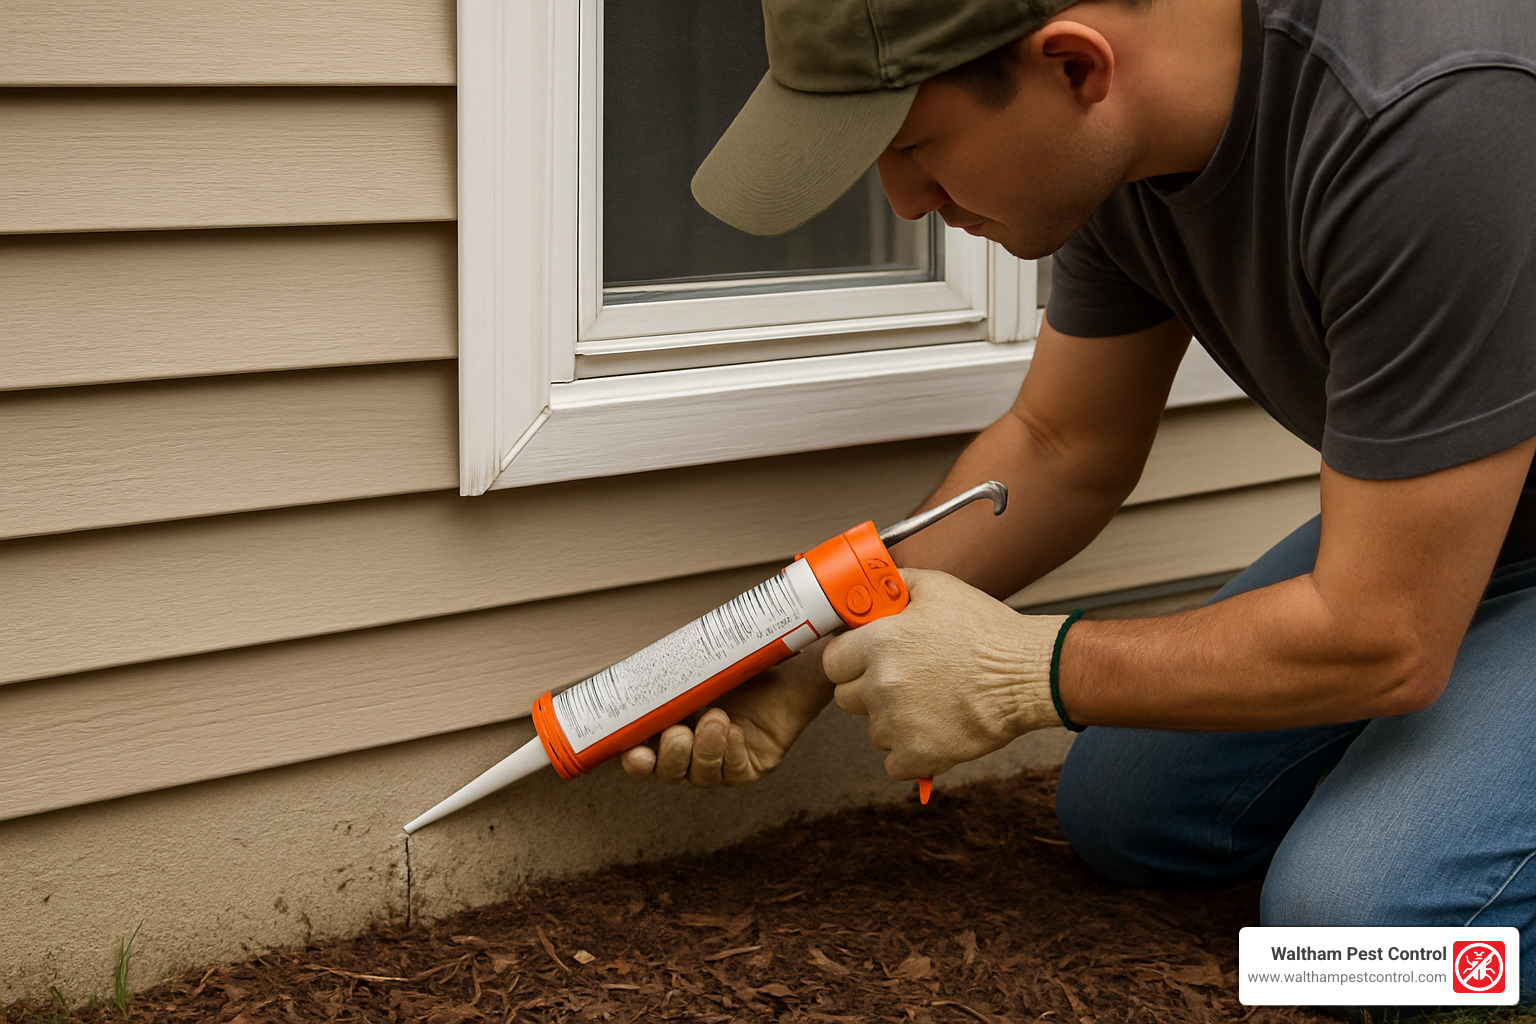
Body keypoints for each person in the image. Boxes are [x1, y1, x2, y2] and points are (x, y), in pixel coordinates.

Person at [620, 0, 1536, 1002]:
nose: (904, 203)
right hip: (1487, 523)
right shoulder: (1123, 149)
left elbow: (1385, 636)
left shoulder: (1429, 119)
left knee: (1363, 937)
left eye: (914, 145)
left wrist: (1025, 670)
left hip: (1447, 563)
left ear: (1076, 66)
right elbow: (1065, 445)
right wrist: (802, 651)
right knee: (1128, 813)